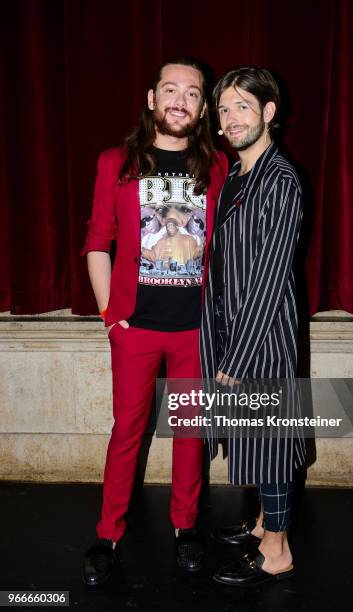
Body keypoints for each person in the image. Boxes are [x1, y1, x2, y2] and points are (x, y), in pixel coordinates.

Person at [81, 58, 228, 585]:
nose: (179, 100)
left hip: (196, 330)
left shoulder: (217, 168)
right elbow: (98, 242)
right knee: (128, 432)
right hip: (135, 328)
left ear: (203, 107)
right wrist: (109, 316)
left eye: (192, 93)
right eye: (170, 89)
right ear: (151, 98)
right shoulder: (115, 162)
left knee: (190, 431)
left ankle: (186, 528)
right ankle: (108, 534)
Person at [200, 66, 306, 586]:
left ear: (269, 113)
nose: (231, 117)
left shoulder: (280, 180)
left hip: (260, 339)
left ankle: (278, 552)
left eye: (244, 105)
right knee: (255, 437)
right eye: (224, 108)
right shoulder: (240, 174)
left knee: (268, 440)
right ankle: (266, 524)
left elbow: (268, 278)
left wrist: (235, 360)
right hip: (235, 330)